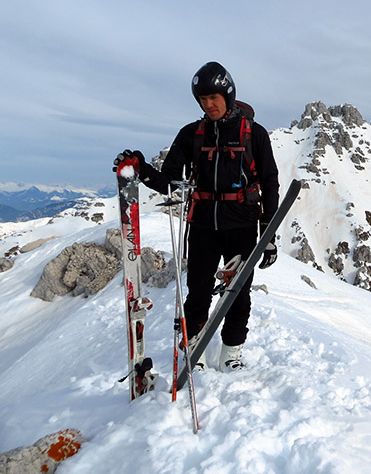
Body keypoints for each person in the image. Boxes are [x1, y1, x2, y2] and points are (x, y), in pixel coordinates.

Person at [117, 61, 279, 372]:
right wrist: (141, 169)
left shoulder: (254, 134)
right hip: (203, 224)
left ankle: (232, 352)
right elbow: (168, 182)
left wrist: (268, 234)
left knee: (238, 292)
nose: (208, 105)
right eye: (203, 100)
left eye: (213, 97)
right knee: (198, 290)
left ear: (227, 95)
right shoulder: (192, 134)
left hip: (242, 223)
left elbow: (270, 182)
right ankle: (195, 349)